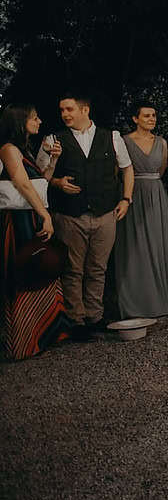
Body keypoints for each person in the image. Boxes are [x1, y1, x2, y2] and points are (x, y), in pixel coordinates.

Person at [39, 94, 134, 339]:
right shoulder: (52, 139)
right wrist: (58, 182)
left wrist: (126, 198)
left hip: (105, 213)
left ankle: (95, 316)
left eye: (69, 109)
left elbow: (127, 168)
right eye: (61, 110)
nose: (64, 114)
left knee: (98, 268)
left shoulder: (112, 137)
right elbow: (39, 177)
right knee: (73, 269)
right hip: (70, 214)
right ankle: (76, 321)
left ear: (85, 109)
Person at [1, 104, 72, 360]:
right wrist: (44, 215)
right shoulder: (8, 150)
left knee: (43, 266)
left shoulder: (24, 150)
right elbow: (21, 183)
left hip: (32, 213)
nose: (39, 121)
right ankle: (22, 342)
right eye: (34, 118)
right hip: (18, 217)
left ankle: (44, 334)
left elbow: (40, 181)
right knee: (25, 269)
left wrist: (52, 160)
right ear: (20, 121)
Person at [114, 101, 168, 318]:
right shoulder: (124, 141)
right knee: (136, 245)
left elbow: (161, 169)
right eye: (146, 116)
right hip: (133, 193)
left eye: (153, 115)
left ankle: (165, 296)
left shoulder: (162, 142)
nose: (152, 119)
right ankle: (140, 301)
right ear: (135, 119)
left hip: (156, 193)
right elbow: (118, 170)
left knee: (158, 242)